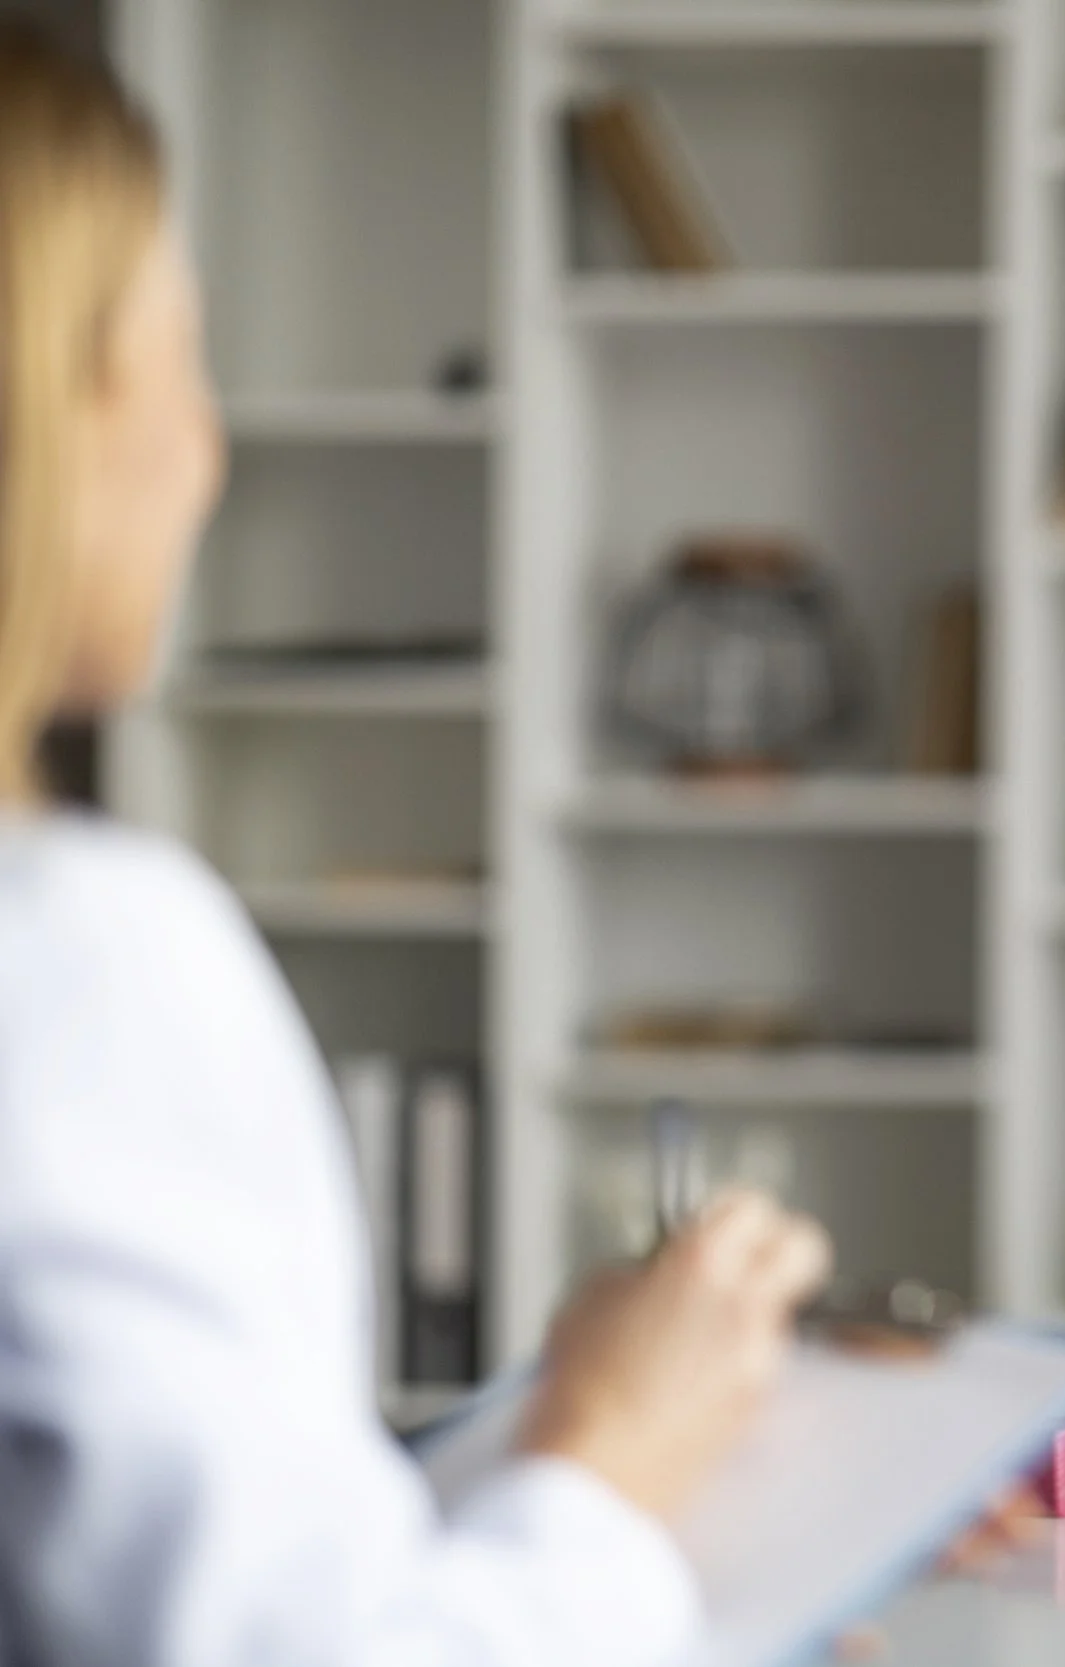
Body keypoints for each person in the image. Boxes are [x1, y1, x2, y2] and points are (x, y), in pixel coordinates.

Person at [0, 29, 836, 1664]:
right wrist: (609, 1465)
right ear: (48, 415)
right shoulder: (74, 954)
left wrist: (597, 1481)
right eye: (173, 358)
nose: (208, 449)